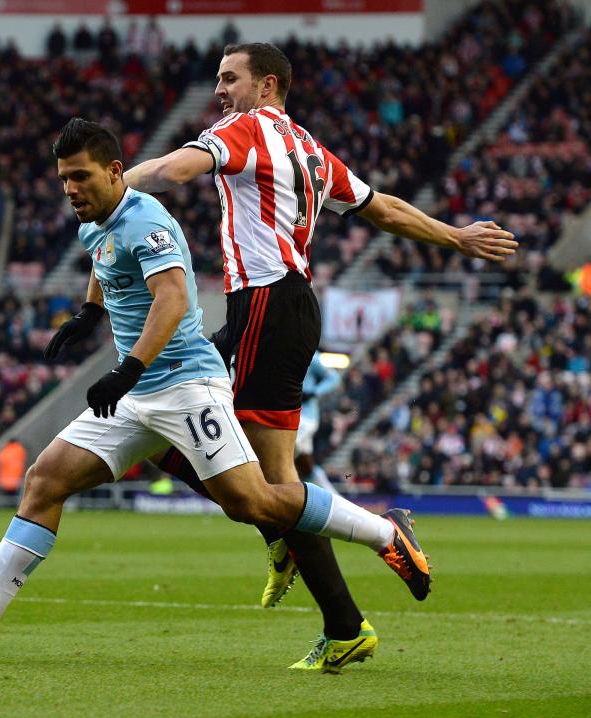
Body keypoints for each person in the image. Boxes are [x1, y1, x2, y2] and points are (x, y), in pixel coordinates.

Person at [0, 119, 430, 658]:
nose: (70, 189)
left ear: (115, 172)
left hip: (186, 386)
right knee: (44, 479)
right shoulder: (94, 219)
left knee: (255, 501)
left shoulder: (148, 220)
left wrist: (128, 367)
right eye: (64, 178)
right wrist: (90, 314)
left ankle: (385, 534)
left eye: (81, 177)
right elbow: (102, 254)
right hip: (137, 395)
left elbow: (173, 301)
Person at [122, 43, 516, 669]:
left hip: (263, 306)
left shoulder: (245, 128)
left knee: (170, 435)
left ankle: (349, 534)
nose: (220, 90)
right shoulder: (309, 147)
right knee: (259, 474)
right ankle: (342, 623)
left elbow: (174, 171)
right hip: (291, 309)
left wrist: (116, 183)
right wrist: (454, 235)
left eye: (231, 78)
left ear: (267, 84)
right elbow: (380, 206)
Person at [296, 351, 341, 495]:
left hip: (305, 417)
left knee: (282, 447)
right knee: (306, 465)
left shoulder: (311, 355)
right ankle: (335, 498)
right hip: (290, 415)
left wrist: (314, 392)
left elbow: (334, 377)